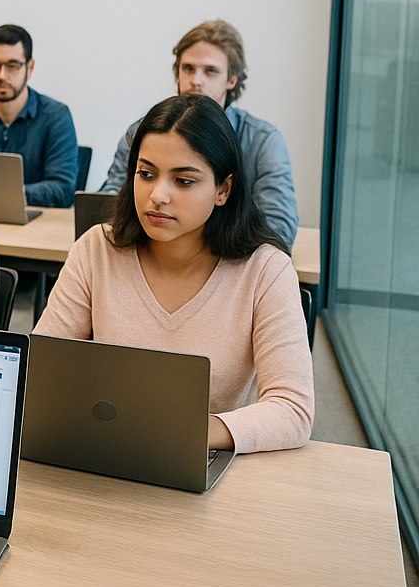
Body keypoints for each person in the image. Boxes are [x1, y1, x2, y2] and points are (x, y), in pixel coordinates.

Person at [37, 94, 314, 453]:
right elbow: (39, 374)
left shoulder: (265, 269)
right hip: (106, 453)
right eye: (146, 174)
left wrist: (182, 432)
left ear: (223, 190)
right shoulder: (96, 249)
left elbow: (293, 410)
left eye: (183, 181)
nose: (158, 195)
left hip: (210, 461)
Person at [100, 19, 297, 248]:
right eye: (188, 69)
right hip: (151, 256)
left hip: (229, 263)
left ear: (232, 79)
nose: (196, 81)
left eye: (210, 71)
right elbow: (109, 204)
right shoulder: (143, 133)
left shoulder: (264, 141)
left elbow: (279, 227)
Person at [0, 23, 80, 207]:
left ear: (30, 67)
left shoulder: (56, 116)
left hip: (35, 225)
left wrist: (8, 195)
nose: (2, 75)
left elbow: (63, 189)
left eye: (12, 66)